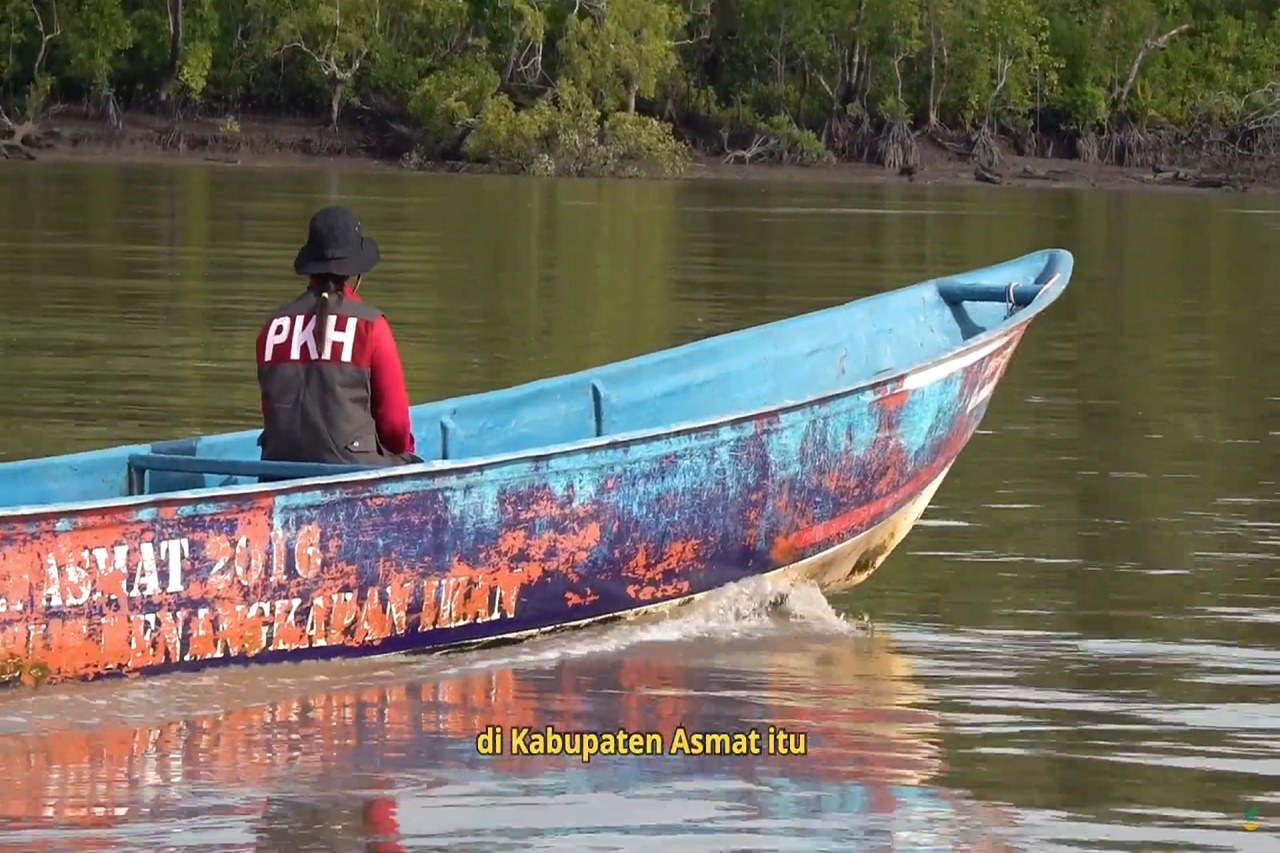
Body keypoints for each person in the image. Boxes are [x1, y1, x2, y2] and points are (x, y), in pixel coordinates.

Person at [255, 205, 419, 467]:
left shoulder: (271, 327)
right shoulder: (372, 326)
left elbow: (271, 414)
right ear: (356, 273)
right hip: (354, 473)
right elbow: (396, 428)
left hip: (278, 472)